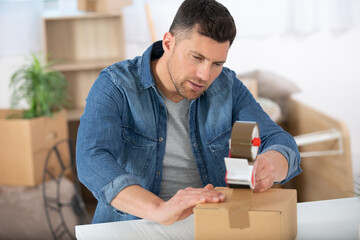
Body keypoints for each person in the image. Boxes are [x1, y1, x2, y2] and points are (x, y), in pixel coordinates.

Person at [76, 0, 302, 225]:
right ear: (168, 43)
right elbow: (91, 158)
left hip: (211, 224)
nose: (205, 75)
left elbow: (279, 140)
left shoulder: (227, 86)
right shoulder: (115, 85)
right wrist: (159, 209)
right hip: (133, 224)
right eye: (197, 57)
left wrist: (272, 163)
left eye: (217, 63)